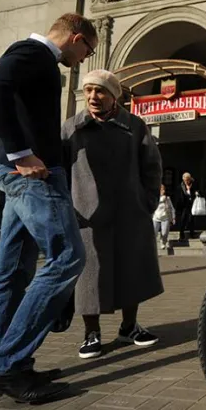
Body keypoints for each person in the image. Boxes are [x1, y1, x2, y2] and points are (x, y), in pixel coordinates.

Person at [0, 13, 96, 402]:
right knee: (67, 258)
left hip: (22, 173)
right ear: (76, 38)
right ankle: (6, 367)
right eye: (86, 51)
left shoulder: (28, 57)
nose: (82, 60)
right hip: (34, 175)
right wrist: (20, 154)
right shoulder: (36, 53)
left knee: (11, 272)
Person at [62, 69, 164, 359]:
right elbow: (59, 170)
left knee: (132, 268)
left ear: (114, 96)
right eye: (89, 91)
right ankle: (91, 333)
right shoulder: (71, 128)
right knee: (89, 275)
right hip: (86, 215)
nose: (94, 97)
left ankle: (129, 327)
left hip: (130, 211)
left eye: (101, 91)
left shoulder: (134, 125)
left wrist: (147, 201)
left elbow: (152, 166)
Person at [176, 173, 199, 245]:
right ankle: (181, 234)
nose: (187, 182)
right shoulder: (180, 187)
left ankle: (192, 233)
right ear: (183, 179)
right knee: (183, 219)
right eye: (185, 180)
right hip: (183, 206)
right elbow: (178, 197)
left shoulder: (194, 185)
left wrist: (194, 193)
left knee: (191, 219)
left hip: (192, 205)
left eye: (188, 180)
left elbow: (198, 193)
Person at [154, 184, 176, 253]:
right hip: (156, 217)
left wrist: (173, 217)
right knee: (154, 233)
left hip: (165, 217)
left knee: (165, 233)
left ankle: (163, 242)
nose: (163, 191)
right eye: (161, 189)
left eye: (163, 189)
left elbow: (172, 209)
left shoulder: (167, 198)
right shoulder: (155, 198)